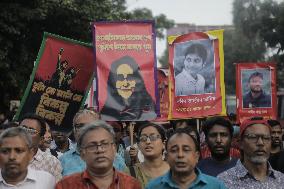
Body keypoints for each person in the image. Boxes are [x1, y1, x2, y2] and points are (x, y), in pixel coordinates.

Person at [56, 121, 142, 189]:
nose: (99, 150)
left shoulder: (131, 185)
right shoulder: (65, 185)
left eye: (104, 144)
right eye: (92, 145)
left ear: (114, 148)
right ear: (82, 153)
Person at [146, 128, 226, 189]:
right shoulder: (153, 187)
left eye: (186, 150)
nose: (180, 155)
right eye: (174, 150)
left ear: (196, 156)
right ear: (166, 157)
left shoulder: (216, 186)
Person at [218, 117, 284, 188]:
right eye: (253, 137)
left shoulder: (281, 180)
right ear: (240, 143)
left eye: (266, 138)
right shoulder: (224, 181)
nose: (260, 143)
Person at [60, 109, 128, 176]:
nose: (85, 130)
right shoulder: (63, 160)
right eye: (80, 126)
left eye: (90, 126)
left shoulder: (116, 160)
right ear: (74, 130)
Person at [100, 55, 156, 121]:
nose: (125, 83)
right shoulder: (103, 110)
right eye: (120, 77)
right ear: (112, 81)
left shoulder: (149, 109)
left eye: (130, 77)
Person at [19, 114, 62, 182]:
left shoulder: (52, 162)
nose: (25, 133)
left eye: (32, 131)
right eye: (22, 129)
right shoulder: (4, 156)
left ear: (41, 139)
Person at [131, 123, 170, 188]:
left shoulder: (176, 171)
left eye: (153, 137)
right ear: (139, 145)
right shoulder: (130, 173)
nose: (148, 142)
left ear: (164, 144)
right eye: (143, 138)